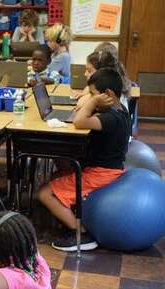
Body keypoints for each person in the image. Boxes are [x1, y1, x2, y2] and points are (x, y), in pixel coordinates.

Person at [37, 68, 131, 251]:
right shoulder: (121, 111)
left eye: (94, 95)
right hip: (106, 169)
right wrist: (92, 102)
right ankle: (70, 219)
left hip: (101, 173)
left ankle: (81, 233)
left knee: (44, 192)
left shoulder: (110, 119)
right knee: (57, 174)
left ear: (108, 94)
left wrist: (91, 103)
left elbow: (79, 122)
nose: (92, 98)